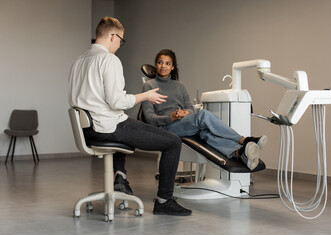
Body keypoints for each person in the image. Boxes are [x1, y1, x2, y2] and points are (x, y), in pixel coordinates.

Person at [68, 17, 191, 216]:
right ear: (112, 36)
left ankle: (120, 177)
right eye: (120, 40)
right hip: (108, 128)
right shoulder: (109, 59)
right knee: (173, 142)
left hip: (88, 131)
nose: (119, 45)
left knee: (128, 128)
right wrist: (146, 95)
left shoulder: (78, 62)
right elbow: (117, 102)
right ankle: (164, 201)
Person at [141, 49, 268, 170]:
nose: (163, 66)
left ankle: (239, 153)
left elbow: (190, 108)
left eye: (168, 63)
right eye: (160, 62)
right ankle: (244, 140)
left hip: (181, 122)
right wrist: (171, 117)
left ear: (173, 67)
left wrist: (186, 112)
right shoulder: (149, 86)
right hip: (165, 128)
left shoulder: (180, 86)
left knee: (205, 133)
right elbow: (149, 118)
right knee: (203, 116)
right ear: (156, 65)